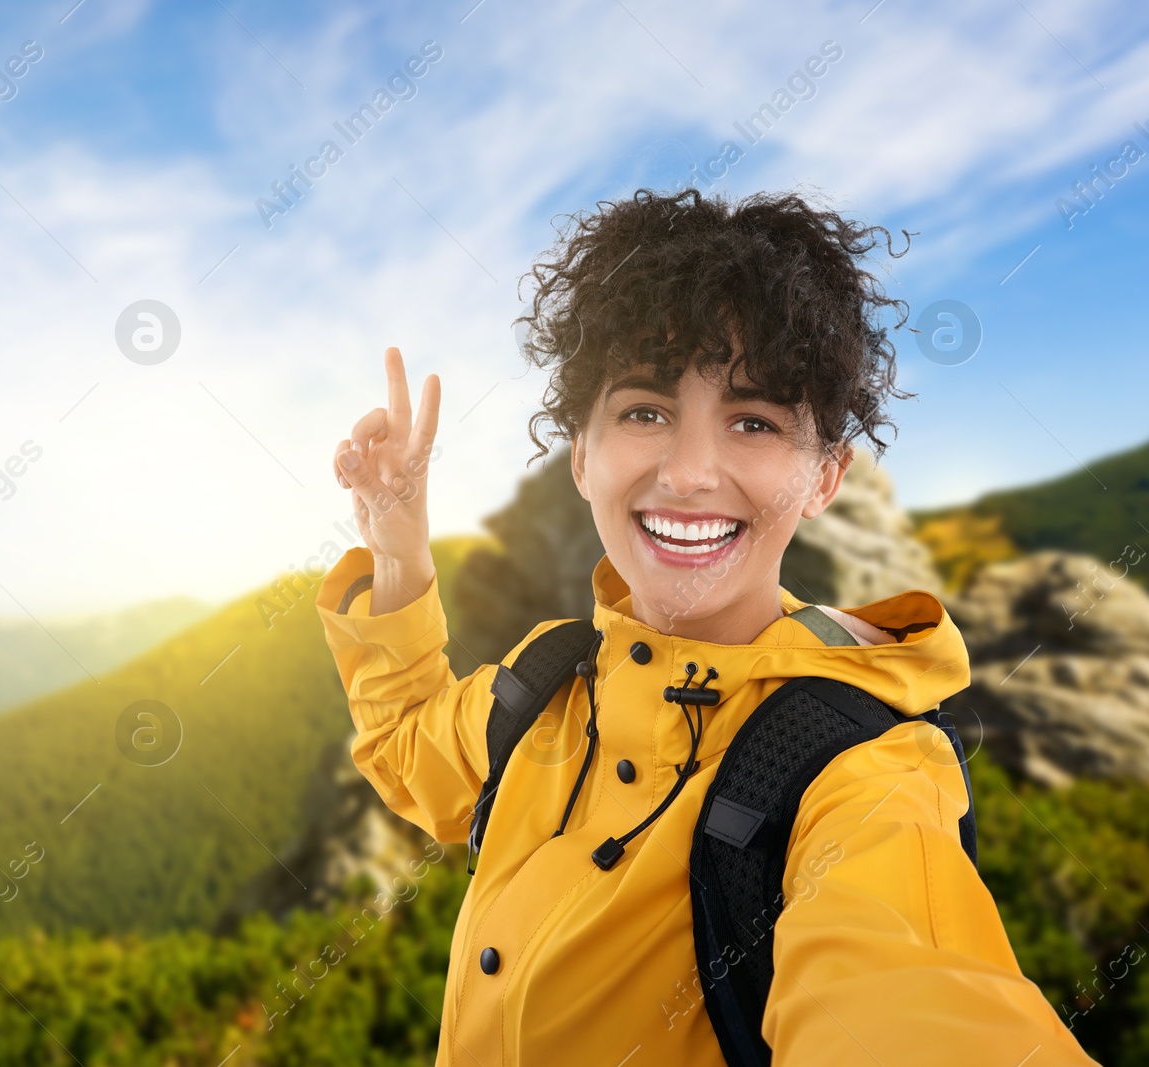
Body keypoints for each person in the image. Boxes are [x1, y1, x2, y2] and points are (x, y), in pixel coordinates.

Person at [314, 188, 1097, 1065]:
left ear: (826, 475)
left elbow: (910, 991)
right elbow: (406, 748)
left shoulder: (861, 770)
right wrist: (396, 549)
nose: (689, 473)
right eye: (645, 410)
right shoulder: (549, 680)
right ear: (581, 453)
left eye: (754, 421)